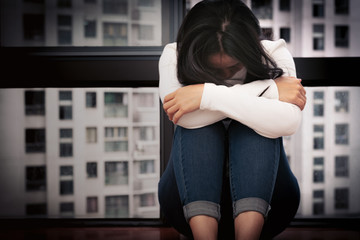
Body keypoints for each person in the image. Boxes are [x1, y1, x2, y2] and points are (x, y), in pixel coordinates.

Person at [158, 0, 306, 239]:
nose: (225, 77)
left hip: (271, 203)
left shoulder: (274, 52)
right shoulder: (174, 55)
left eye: (234, 67)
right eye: (214, 70)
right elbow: (185, 119)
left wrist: (206, 95)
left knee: (254, 125)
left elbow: (288, 122)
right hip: (184, 204)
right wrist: (270, 90)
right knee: (200, 127)